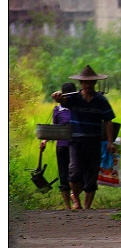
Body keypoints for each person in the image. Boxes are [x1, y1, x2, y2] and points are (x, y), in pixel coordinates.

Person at [51, 66, 115, 210]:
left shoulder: (101, 100)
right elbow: (63, 100)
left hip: (94, 141)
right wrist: (58, 96)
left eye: (91, 83)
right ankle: (77, 201)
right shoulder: (74, 98)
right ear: (80, 83)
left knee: (92, 173)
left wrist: (110, 141)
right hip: (76, 141)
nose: (88, 85)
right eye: (85, 83)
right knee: (74, 172)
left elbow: (108, 121)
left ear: (95, 83)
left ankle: (87, 207)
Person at [40, 81, 77, 210]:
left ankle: (75, 197)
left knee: (77, 174)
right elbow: (54, 128)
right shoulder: (58, 110)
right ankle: (68, 207)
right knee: (63, 176)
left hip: (76, 145)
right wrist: (45, 140)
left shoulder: (78, 107)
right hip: (62, 146)